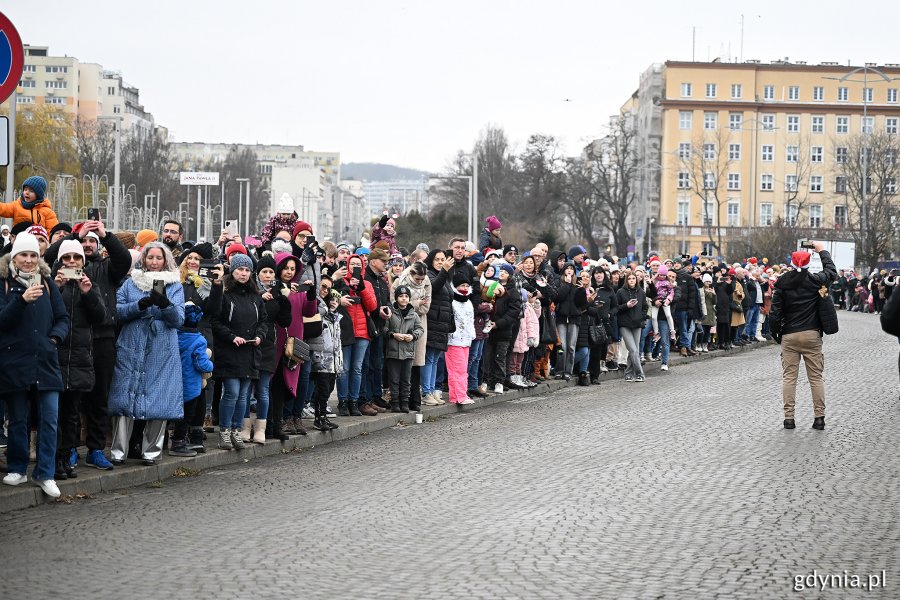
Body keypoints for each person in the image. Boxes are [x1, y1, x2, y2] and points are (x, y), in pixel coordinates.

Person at [0, 233, 70, 498]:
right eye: (23, 255)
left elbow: (62, 318)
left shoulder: (48, 283)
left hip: (46, 361)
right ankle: (18, 468)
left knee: (49, 419)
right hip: (14, 361)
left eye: (33, 255)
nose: (29, 260)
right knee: (18, 420)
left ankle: (45, 473)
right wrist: (21, 300)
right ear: (14, 257)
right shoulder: (4, 283)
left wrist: (54, 338)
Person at [108, 242, 185, 466]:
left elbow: (179, 319)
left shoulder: (174, 285)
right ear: (143, 259)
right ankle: (118, 451)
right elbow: (117, 311)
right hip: (131, 344)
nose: (153, 262)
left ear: (165, 261)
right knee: (124, 398)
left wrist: (165, 305)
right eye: (149, 257)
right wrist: (138, 306)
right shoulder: (130, 283)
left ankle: (151, 451)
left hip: (161, 348)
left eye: (158, 258)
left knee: (158, 400)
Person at [51, 239, 106, 479]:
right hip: (55, 357)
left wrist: (88, 293)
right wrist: (56, 288)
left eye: (76, 258)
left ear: (82, 262)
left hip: (80, 359)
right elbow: (42, 314)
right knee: (53, 413)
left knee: (72, 413)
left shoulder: (88, 285)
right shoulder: (51, 283)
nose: (71, 262)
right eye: (67, 258)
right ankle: (53, 459)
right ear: (60, 261)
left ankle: (66, 456)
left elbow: (100, 317)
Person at [768, 244, 837, 430]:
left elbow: (774, 313)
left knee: (789, 378)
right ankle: (819, 418)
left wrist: (775, 334)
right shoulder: (816, 280)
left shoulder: (782, 284)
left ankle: (789, 418)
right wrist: (821, 251)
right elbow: (831, 271)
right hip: (812, 333)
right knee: (816, 378)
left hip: (789, 335)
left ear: (791, 263)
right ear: (808, 264)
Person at [210, 253, 267, 450]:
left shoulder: (255, 296)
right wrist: (231, 336)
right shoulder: (225, 294)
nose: (243, 274)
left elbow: (263, 321)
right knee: (231, 392)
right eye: (240, 269)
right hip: (230, 350)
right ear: (232, 270)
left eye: (247, 270)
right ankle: (224, 430)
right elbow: (215, 321)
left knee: (243, 395)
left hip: (250, 351)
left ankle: (237, 429)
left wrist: (260, 335)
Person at [252, 255, 291, 441]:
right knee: (247, 389)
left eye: (270, 272)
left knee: (267, 387)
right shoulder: (251, 290)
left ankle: (270, 426)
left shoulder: (277, 292)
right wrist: (260, 297)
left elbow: (284, 321)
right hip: (251, 342)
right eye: (264, 272)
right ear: (258, 274)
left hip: (270, 344)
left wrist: (284, 302)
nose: (268, 276)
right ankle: (244, 427)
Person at [172, 304, 214, 456]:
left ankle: (167, 441)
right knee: (187, 415)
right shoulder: (199, 340)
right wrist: (210, 362)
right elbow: (202, 364)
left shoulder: (174, 335)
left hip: (175, 381)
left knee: (174, 414)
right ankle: (179, 443)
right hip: (191, 384)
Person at [390, 262, 431, 411]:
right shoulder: (399, 281)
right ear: (411, 274)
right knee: (399, 369)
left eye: (422, 278)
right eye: (417, 279)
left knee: (416, 365)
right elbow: (394, 303)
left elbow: (426, 307)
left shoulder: (427, 283)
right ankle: (398, 400)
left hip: (418, 324)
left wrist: (412, 305)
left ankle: (414, 400)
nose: (420, 281)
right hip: (398, 324)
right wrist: (416, 302)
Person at [385, 285, 424, 412]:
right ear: (396, 298)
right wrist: (393, 335)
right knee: (394, 379)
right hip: (393, 351)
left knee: (406, 379)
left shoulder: (414, 314)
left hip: (408, 352)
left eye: (406, 296)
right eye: (401, 296)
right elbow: (384, 329)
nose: (404, 299)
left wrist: (412, 336)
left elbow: (420, 329)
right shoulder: (391, 313)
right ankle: (395, 402)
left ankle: (405, 402)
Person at [308, 288, 343, 429]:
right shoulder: (322, 318)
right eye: (331, 300)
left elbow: (338, 342)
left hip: (333, 362)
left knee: (329, 389)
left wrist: (339, 362)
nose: (334, 303)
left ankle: (324, 416)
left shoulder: (337, 319)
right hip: (322, 359)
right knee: (321, 390)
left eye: (336, 301)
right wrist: (316, 358)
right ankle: (319, 417)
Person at [422, 249, 453, 406]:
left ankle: (433, 390)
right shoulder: (429, 275)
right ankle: (426, 392)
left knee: (434, 359)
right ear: (431, 261)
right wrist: (445, 271)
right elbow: (434, 288)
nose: (441, 262)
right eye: (437, 259)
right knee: (428, 358)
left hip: (442, 324)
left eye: (443, 259)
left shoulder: (444, 275)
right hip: (432, 322)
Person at [446, 273, 476, 404]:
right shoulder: (452, 301)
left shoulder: (469, 302)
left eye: (466, 285)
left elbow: (471, 320)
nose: (464, 288)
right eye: (462, 285)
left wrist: (471, 334)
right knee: (456, 369)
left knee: (463, 369)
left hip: (466, 339)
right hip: (454, 339)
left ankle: (461, 394)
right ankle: (458, 396)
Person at [616, 272, 646, 382]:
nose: (632, 280)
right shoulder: (620, 292)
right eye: (629, 278)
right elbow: (616, 308)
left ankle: (628, 373)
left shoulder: (641, 292)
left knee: (634, 350)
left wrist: (641, 317)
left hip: (637, 324)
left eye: (634, 278)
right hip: (624, 324)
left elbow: (645, 307)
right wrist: (626, 306)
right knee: (633, 349)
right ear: (626, 280)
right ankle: (640, 373)